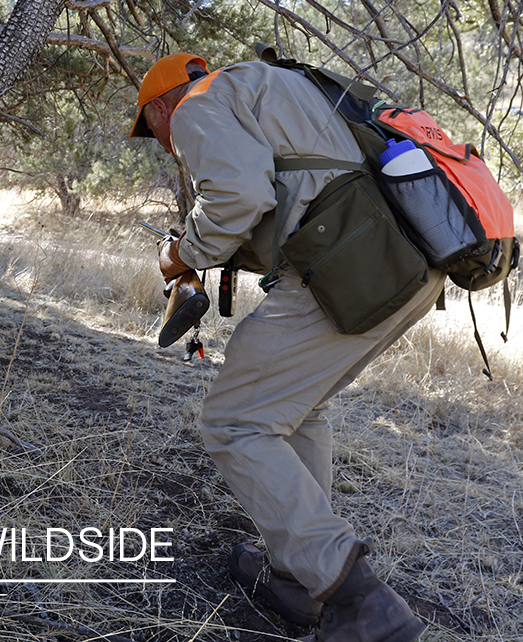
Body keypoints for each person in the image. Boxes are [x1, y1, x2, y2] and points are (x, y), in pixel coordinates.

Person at [131, 53, 444, 642]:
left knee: (235, 421)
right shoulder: (276, 85)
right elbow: (287, 191)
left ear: (162, 105)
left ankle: (360, 605)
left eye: (154, 130)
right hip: (403, 265)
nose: (164, 144)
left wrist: (182, 255)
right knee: (299, 408)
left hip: (348, 269)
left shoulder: (198, 106)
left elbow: (238, 197)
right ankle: (299, 579)